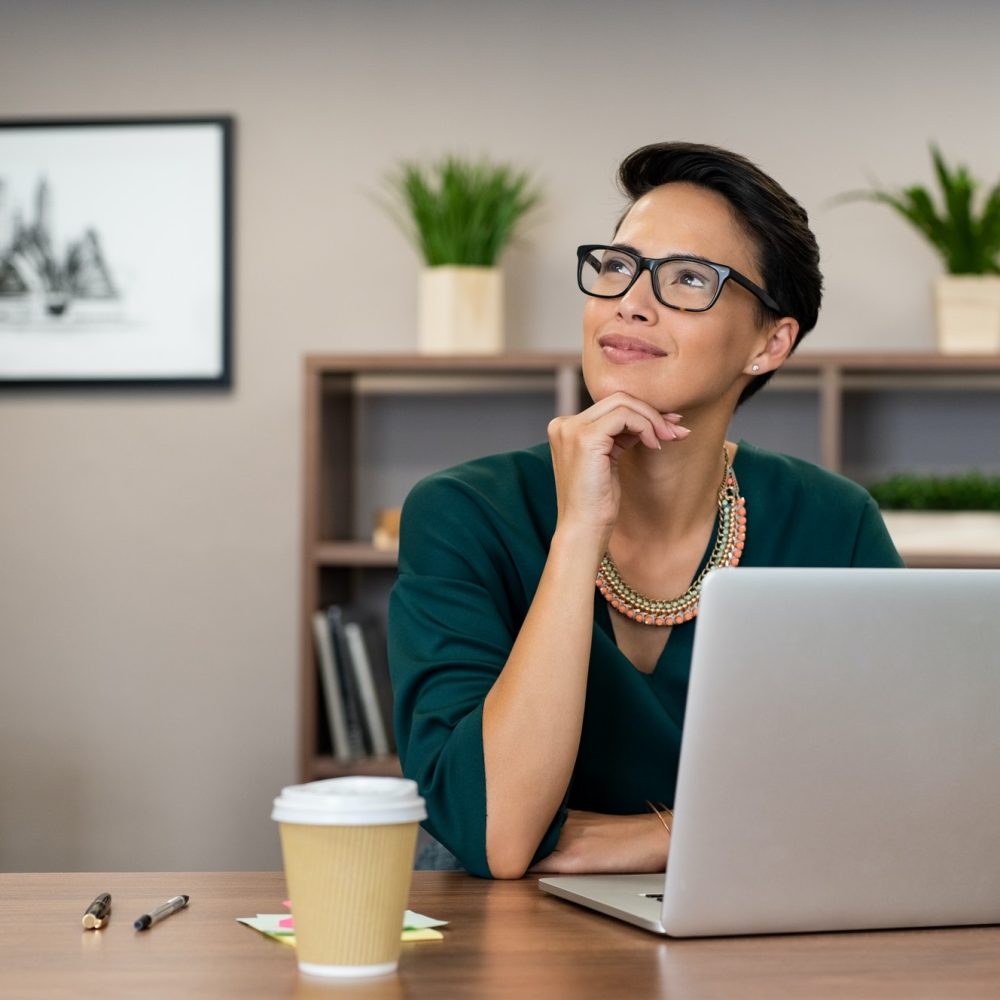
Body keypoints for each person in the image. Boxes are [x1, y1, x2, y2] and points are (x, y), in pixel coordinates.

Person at [388, 141, 903, 880]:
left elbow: (893, 790)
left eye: (688, 278)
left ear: (770, 342)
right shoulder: (460, 513)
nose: (631, 299)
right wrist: (577, 533)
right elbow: (500, 833)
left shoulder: (834, 523)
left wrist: (662, 837)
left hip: (750, 917)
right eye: (617, 267)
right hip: (513, 943)